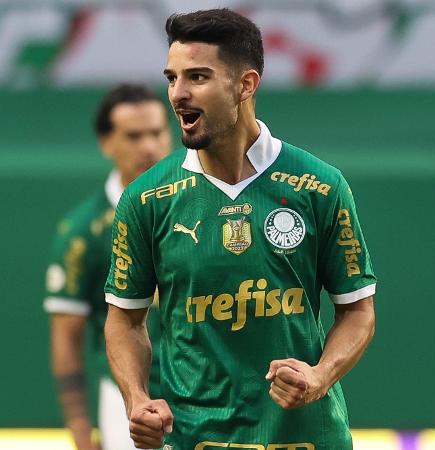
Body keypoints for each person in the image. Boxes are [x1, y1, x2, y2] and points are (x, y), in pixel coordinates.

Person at [104, 9, 376, 450]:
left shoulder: (320, 186)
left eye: (197, 77)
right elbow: (124, 321)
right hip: (196, 439)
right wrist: (136, 399)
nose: (178, 94)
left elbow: (358, 311)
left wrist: (319, 375)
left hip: (306, 438)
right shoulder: (146, 199)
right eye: (172, 78)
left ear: (246, 85)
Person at [44, 84, 172, 450]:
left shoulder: (203, 204)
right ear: (106, 142)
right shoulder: (83, 231)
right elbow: (67, 335)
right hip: (126, 399)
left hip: (210, 391)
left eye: (157, 132)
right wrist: (82, 433)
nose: (148, 146)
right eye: (133, 136)